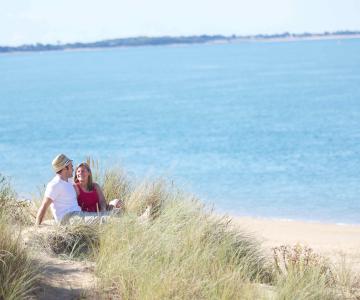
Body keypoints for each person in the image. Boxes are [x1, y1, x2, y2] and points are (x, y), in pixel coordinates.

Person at [35, 154, 111, 225]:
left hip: (78, 214)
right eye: (71, 166)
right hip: (67, 218)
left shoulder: (69, 181)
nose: (73, 168)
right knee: (104, 220)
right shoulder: (55, 184)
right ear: (65, 168)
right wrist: (36, 227)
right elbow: (44, 206)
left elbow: (84, 186)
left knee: (110, 215)